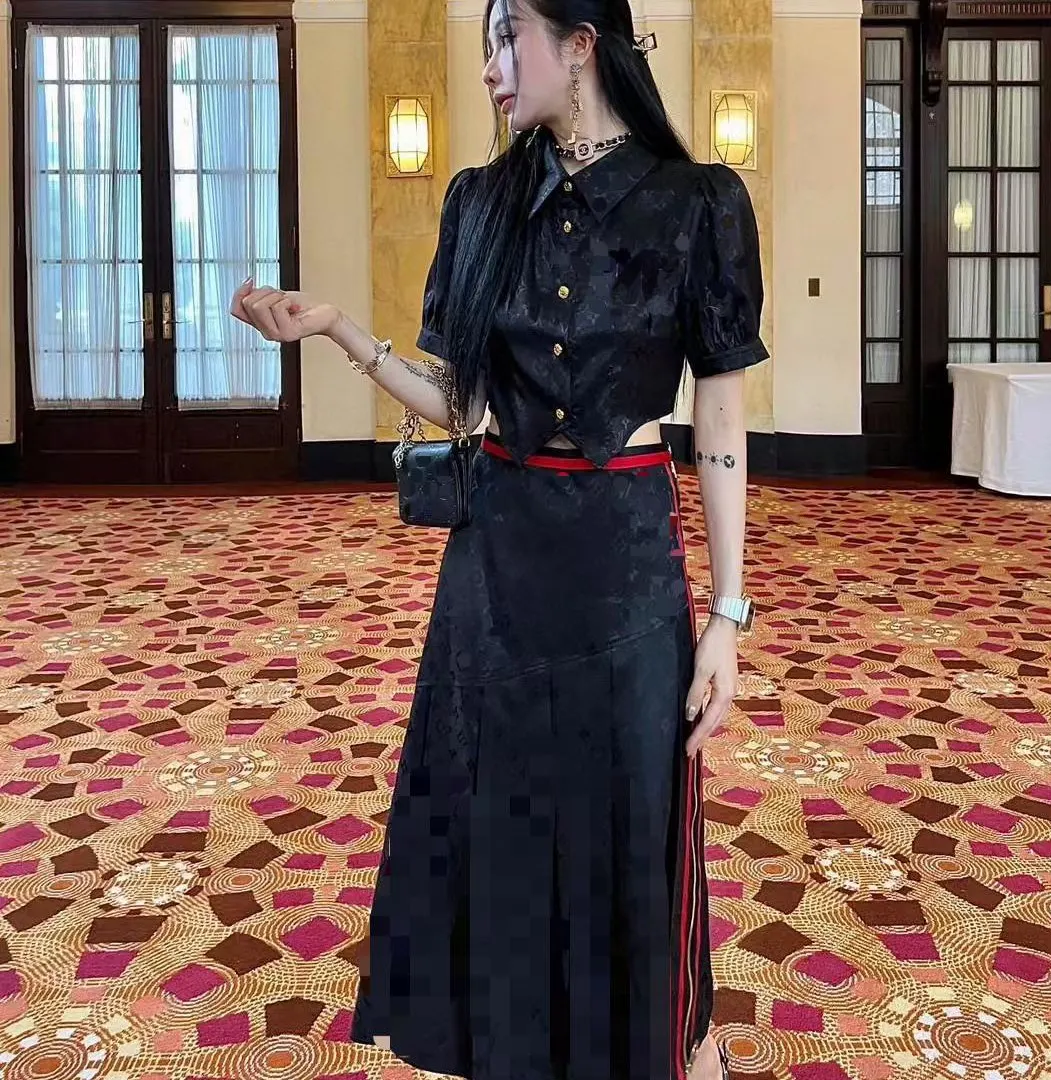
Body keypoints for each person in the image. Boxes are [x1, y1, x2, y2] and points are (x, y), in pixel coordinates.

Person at [231, 0, 767, 1074]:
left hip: (625, 566)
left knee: (631, 829)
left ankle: (675, 1044)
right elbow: (460, 403)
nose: (487, 67)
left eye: (504, 37)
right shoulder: (480, 202)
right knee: (502, 826)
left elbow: (718, 414)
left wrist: (726, 614)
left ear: (580, 43)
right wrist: (339, 330)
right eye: (483, 44)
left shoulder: (697, 202)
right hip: (496, 571)